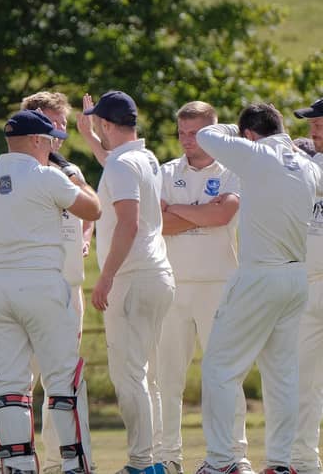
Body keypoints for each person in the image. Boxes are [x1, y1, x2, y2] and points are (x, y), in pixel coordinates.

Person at [0, 109, 100, 474]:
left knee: (9, 381)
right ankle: (75, 463)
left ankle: (18, 465)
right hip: (41, 283)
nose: (53, 147)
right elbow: (94, 208)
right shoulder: (47, 177)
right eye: (50, 141)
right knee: (62, 377)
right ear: (38, 141)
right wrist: (73, 175)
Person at [194, 103, 323, 474]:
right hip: (295, 279)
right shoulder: (307, 165)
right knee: (283, 377)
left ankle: (220, 462)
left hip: (259, 276)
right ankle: (280, 463)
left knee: (220, 367)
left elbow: (206, 135)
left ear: (251, 133)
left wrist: (238, 135)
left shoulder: (256, 152)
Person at [82, 90, 176, 474]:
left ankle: (141, 464)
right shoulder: (145, 157)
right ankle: (150, 459)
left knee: (128, 376)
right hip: (157, 275)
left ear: (108, 124)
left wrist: (105, 278)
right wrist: (90, 136)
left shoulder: (122, 166)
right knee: (145, 375)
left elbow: (128, 222)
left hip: (132, 278)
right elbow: (112, 163)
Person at [158, 101, 251, 474]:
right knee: (168, 378)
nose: (186, 141)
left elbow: (222, 215)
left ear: (211, 132)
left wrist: (178, 209)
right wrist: (200, 211)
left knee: (225, 375)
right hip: (173, 285)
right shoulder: (165, 171)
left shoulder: (232, 171)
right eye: (181, 133)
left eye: (194, 133)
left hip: (219, 285)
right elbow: (157, 224)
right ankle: (167, 457)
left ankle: (234, 456)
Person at [20, 91, 95, 474]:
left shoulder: (71, 170)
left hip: (69, 287)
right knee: (19, 381)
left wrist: (84, 237)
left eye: (64, 124)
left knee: (62, 381)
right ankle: (18, 460)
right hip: (29, 288)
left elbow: (91, 208)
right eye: (54, 123)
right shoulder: (15, 173)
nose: (60, 131)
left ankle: (57, 463)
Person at [291, 98, 323, 474]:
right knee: (303, 379)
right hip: (306, 283)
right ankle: (304, 461)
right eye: (312, 123)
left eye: (320, 122)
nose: (313, 128)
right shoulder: (302, 161)